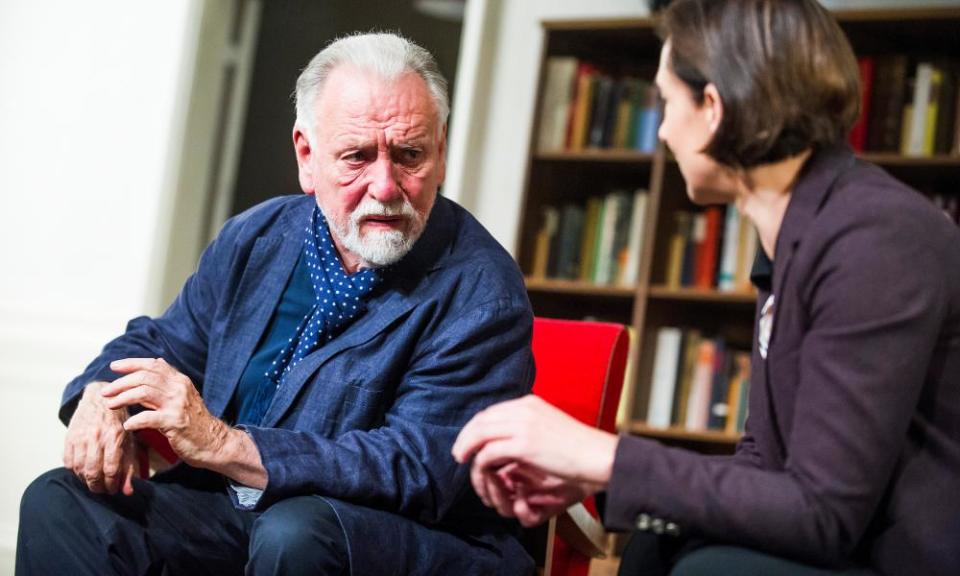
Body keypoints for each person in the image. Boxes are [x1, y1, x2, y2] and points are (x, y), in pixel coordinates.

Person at [452, 1, 960, 575]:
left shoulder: (876, 238)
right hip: (851, 539)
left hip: (904, 557)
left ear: (713, 107)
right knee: (654, 544)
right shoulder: (797, 233)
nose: (663, 129)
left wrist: (605, 456)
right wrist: (588, 476)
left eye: (668, 101)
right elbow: (766, 464)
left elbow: (824, 509)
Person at [17, 32, 536, 575]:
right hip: (242, 512)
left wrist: (225, 445)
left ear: (441, 150)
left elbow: (418, 469)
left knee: (296, 532)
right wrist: (101, 396)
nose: (386, 186)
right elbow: (162, 343)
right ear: (307, 156)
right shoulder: (259, 235)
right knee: (60, 502)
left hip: (404, 538)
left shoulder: (482, 290)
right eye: (357, 156)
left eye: (410, 155)